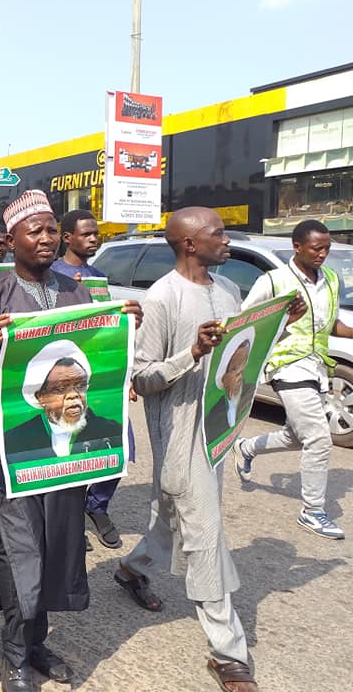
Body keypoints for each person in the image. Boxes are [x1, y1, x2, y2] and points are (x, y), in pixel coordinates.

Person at [0, 188, 142, 691]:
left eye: (51, 228)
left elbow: (96, 359)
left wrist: (124, 330)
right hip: (10, 451)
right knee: (22, 551)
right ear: (11, 237)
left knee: (57, 546)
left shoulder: (76, 290)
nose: (45, 238)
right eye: (33, 230)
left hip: (66, 451)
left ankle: (35, 641)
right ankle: (15, 653)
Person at [116, 207, 298, 692]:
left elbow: (243, 351)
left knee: (170, 517)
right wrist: (191, 354)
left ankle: (131, 568)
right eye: (218, 234)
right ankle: (228, 653)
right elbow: (143, 377)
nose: (227, 241)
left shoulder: (227, 290)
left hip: (218, 430)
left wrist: (280, 324)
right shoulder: (162, 299)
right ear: (190, 244)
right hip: (179, 437)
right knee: (206, 532)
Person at [234, 219, 349, 540]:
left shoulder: (329, 279)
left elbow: (330, 323)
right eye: (316, 248)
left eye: (326, 248)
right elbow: (248, 325)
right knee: (319, 439)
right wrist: (286, 319)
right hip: (286, 366)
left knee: (299, 435)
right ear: (298, 246)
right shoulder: (273, 281)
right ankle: (312, 511)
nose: (323, 254)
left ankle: (247, 448)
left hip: (317, 367)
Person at [52, 208, 128, 549]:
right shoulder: (52, 273)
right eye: (86, 233)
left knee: (118, 443)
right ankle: (69, 523)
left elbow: (104, 329)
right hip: (62, 374)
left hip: (97, 373)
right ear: (67, 237)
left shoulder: (98, 276)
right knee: (69, 448)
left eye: (96, 233)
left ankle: (97, 505)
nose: (94, 238)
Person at [2, 340, 121, 462]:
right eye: (61, 389)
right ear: (41, 397)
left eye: (80, 386)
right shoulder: (16, 440)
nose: (73, 395)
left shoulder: (110, 431)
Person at [203, 330, 256, 444]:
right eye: (233, 371)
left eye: (241, 369)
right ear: (224, 378)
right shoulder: (213, 414)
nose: (238, 377)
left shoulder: (249, 390)